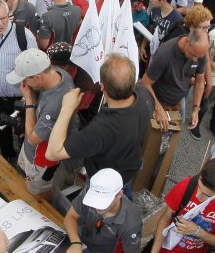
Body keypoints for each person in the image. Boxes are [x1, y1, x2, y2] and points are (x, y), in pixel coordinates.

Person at [45, 54, 153, 195]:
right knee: (123, 198)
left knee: (95, 208)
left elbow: (52, 153)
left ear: (102, 86)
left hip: (102, 184)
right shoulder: (144, 95)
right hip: (128, 171)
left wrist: (67, 108)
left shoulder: (100, 129)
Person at [135, 28, 210, 194]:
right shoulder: (165, 54)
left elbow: (199, 81)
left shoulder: (199, 53)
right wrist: (158, 108)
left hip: (177, 101)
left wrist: (196, 108)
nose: (196, 59)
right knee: (147, 141)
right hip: (155, 101)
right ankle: (138, 175)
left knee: (168, 143)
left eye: (199, 57)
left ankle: (156, 176)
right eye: (193, 55)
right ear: (186, 42)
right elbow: (145, 83)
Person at [7, 49, 75, 211]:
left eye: (25, 80)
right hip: (35, 150)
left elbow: (32, 139)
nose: (24, 85)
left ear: (37, 77)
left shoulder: (54, 106)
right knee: (34, 181)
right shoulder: (60, 73)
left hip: (40, 159)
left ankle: (56, 211)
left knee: (41, 191)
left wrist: (29, 100)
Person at [0, 0, 38, 160]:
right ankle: (8, 153)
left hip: (20, 99)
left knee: (24, 129)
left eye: (4, 18)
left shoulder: (24, 35)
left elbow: (36, 68)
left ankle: (25, 157)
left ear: (9, 14)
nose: (0, 23)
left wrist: (30, 95)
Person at [64, 168, 141, 253]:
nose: (97, 207)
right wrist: (76, 242)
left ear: (119, 194)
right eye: (94, 201)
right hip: (82, 240)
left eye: (103, 202)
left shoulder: (131, 221)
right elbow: (71, 216)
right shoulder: (88, 192)